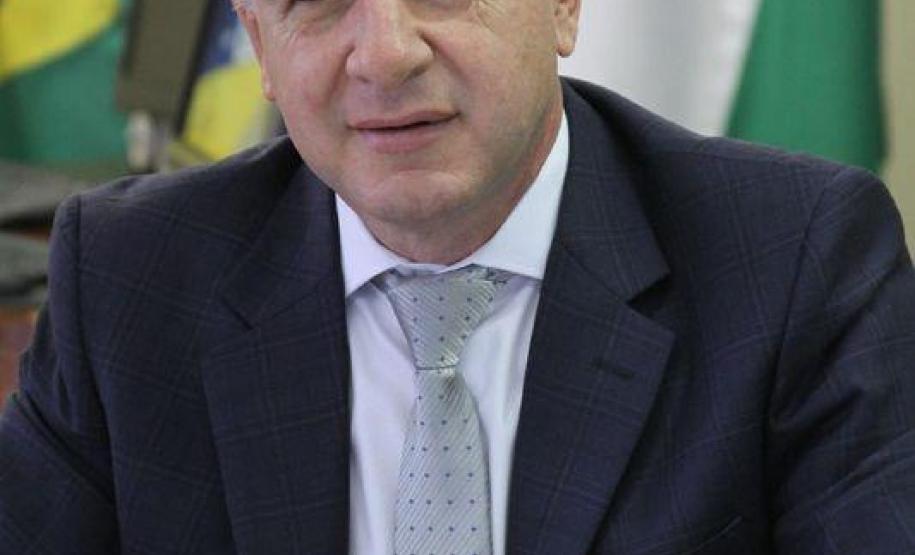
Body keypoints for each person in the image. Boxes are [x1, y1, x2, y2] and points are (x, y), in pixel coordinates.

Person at [2, 0, 914, 552]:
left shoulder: (791, 263)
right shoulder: (129, 277)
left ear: (562, 9)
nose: (384, 52)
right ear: (258, 41)